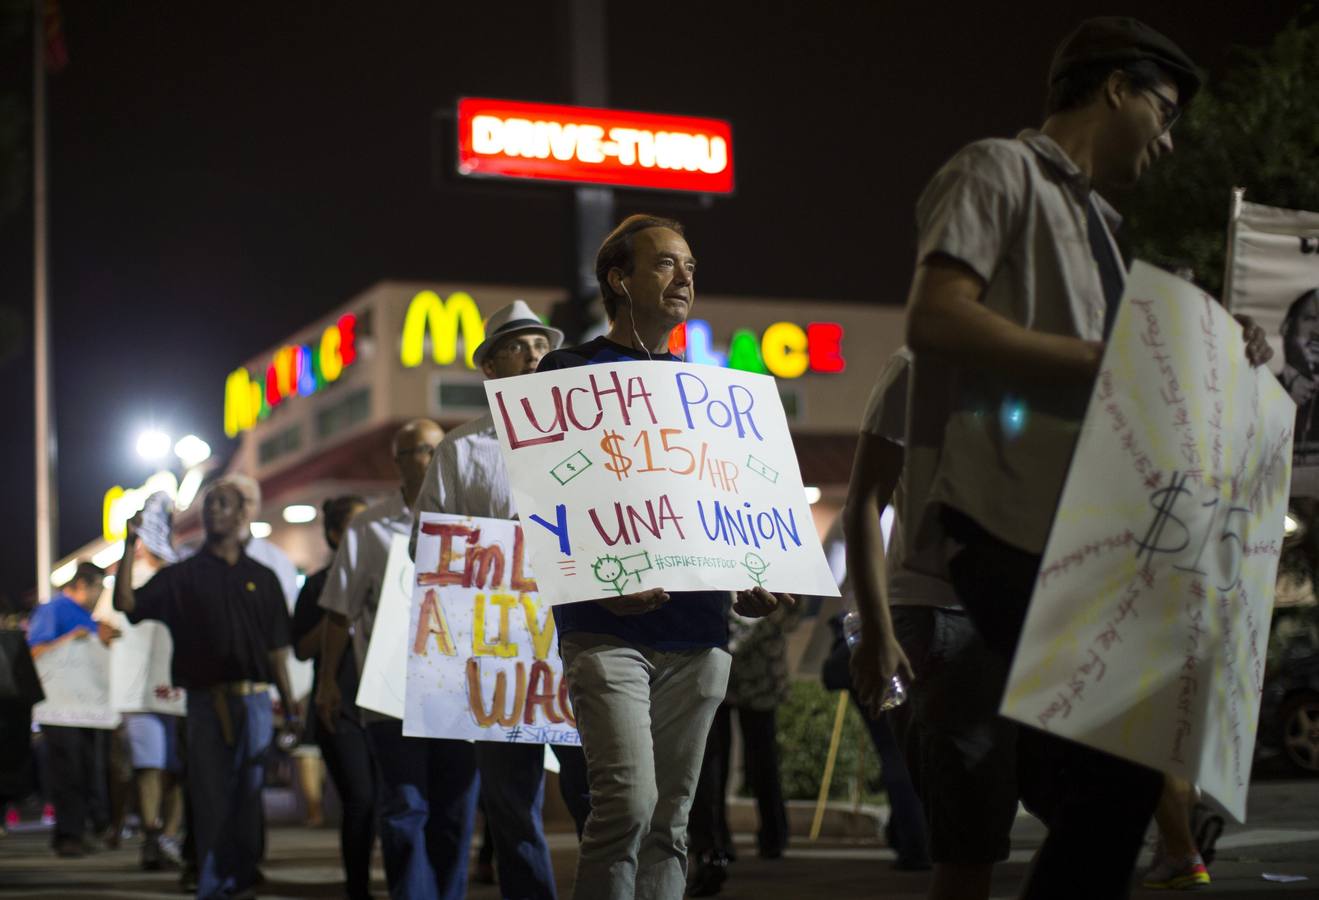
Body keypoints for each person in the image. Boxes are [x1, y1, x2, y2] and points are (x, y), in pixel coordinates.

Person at [898, 17, 1272, 898]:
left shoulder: (1098, 225)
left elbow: (1133, 381)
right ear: (1115, 89)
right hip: (1006, 524)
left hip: (1079, 536)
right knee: (1115, 771)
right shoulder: (996, 169)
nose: (1168, 139)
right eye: (1164, 111)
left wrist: (1222, 349)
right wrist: (1103, 359)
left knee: (1114, 779)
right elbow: (936, 316)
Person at [536, 214, 795, 900]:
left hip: (700, 634)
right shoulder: (566, 374)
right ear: (618, 280)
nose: (683, 278)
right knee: (626, 807)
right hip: (606, 629)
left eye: (689, 266)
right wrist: (602, 585)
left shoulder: (711, 392)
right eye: (664, 264)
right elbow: (546, 509)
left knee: (672, 824)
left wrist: (750, 575)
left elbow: (717, 503)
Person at [409, 299, 590, 900]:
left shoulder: (583, 438)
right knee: (512, 807)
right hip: (501, 654)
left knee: (600, 796)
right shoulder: (460, 451)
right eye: (520, 346)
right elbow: (426, 547)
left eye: (542, 345)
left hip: (581, 640)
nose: (537, 355)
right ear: (490, 367)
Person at [845, 349, 1010, 900]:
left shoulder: (1060, 363)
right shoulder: (919, 366)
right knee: (969, 845)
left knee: (1080, 815)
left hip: (1037, 618)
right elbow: (865, 499)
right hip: (942, 616)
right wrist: (877, 629)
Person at [316, 419, 480, 900]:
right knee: (405, 809)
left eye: (436, 450)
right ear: (399, 462)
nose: (429, 459)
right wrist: (328, 681)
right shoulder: (369, 527)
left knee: (454, 812)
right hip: (392, 693)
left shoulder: (471, 521)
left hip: (458, 693)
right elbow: (339, 610)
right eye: (419, 451)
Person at [113, 482, 300, 900]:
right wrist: (129, 545)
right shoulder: (182, 575)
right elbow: (127, 604)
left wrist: (289, 708)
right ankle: (213, 884)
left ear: (242, 514)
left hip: (253, 702)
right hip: (202, 702)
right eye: (210, 503)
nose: (216, 509)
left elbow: (276, 653)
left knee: (249, 797)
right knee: (210, 796)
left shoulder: (263, 578)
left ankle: (243, 876)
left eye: (225, 503)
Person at [290, 494, 375, 900]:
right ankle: (357, 888)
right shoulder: (318, 584)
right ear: (334, 533)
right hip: (340, 707)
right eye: (355, 526)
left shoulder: (388, 572)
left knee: (391, 803)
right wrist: (338, 612)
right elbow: (303, 649)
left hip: (385, 705)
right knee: (359, 799)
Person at [687, 600, 799, 897]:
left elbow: (788, 613)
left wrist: (732, 643)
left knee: (762, 761)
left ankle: (773, 836)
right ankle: (718, 840)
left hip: (758, 675)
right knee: (714, 761)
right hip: (721, 672)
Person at [26, 561, 117, 858]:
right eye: (98, 589)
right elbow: (35, 652)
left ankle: (80, 830)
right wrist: (70, 639)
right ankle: (67, 835)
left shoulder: (88, 617)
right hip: (59, 709)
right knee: (67, 771)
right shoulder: (53, 609)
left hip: (88, 710)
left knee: (87, 769)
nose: (98, 596)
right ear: (84, 585)